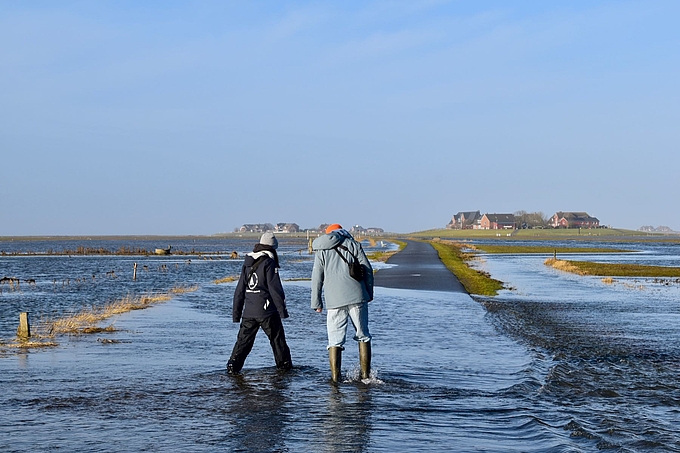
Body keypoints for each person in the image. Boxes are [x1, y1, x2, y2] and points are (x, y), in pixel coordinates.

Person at [311, 224, 374, 382]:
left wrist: (316, 302)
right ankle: (366, 377)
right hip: (357, 296)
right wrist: (369, 293)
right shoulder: (353, 245)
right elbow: (367, 270)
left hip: (334, 301)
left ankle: (335, 379)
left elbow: (317, 278)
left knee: (334, 340)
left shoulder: (321, 250)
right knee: (363, 336)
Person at [228, 232, 292, 374]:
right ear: (272, 247)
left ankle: (232, 367)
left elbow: (239, 291)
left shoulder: (247, 263)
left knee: (243, 343)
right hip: (267, 311)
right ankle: (285, 370)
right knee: (278, 341)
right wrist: (282, 311)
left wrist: (236, 314)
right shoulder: (268, 263)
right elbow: (275, 289)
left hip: (249, 312)